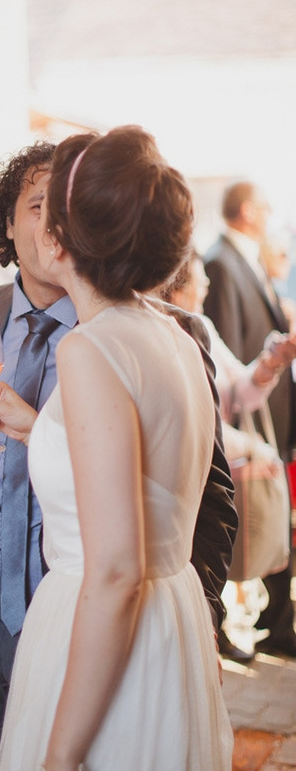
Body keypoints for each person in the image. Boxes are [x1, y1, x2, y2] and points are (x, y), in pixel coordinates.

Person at [0, 141, 237, 762]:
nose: (48, 222)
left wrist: (198, 619)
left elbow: (208, 492)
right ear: (10, 222)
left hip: (105, 612)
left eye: (61, 206)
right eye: (37, 204)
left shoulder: (143, 335)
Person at [0, 126, 233, 770]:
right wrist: (40, 429)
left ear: (61, 236)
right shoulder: (164, 335)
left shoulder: (88, 349)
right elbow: (150, 473)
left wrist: (60, 754)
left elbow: (114, 572)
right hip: (168, 619)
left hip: (107, 628)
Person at [161, 251, 296, 661]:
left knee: (211, 554)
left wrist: (269, 364)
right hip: (185, 466)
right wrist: (253, 446)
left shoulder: (202, 327)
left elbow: (239, 390)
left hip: (214, 464)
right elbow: (197, 420)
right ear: (176, 289)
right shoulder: (167, 334)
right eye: (198, 284)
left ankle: (211, 633)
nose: (205, 290)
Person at [204, 182, 296, 657]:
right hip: (236, 426)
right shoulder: (219, 262)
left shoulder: (250, 258)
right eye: (262, 204)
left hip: (259, 407)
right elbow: (222, 359)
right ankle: (220, 628)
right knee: (226, 531)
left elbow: (241, 366)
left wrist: (272, 362)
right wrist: (244, 437)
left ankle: (276, 621)